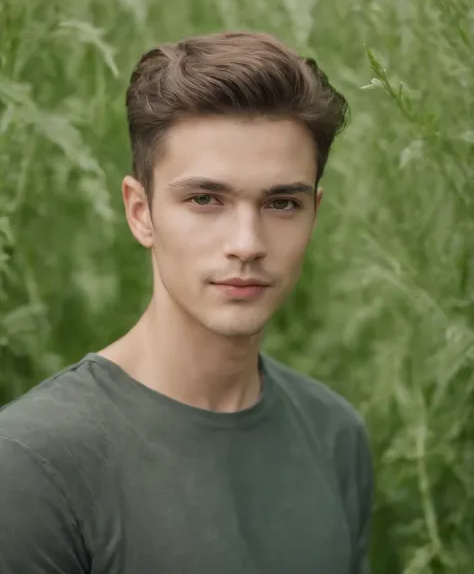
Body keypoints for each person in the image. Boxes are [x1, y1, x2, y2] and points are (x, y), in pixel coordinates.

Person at [0, 30, 373, 573]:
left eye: (281, 203)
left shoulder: (335, 434)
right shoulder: (31, 463)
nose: (246, 243)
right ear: (140, 211)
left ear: (314, 213)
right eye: (205, 199)